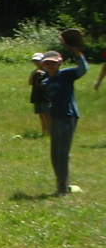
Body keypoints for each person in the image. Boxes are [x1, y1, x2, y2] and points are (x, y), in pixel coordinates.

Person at [37, 48, 88, 195]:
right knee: (55, 154)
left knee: (62, 153)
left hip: (68, 116)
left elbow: (83, 69)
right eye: (47, 63)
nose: (50, 65)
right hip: (55, 117)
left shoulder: (66, 75)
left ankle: (62, 189)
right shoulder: (45, 81)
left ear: (59, 63)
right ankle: (62, 184)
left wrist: (77, 52)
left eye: (53, 63)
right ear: (43, 64)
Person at [28, 53, 51, 136]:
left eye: (38, 60)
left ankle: (50, 132)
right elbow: (30, 83)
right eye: (34, 61)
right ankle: (44, 132)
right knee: (41, 115)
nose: (36, 63)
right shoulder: (35, 72)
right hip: (37, 95)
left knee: (48, 115)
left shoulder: (49, 71)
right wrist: (34, 74)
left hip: (46, 97)